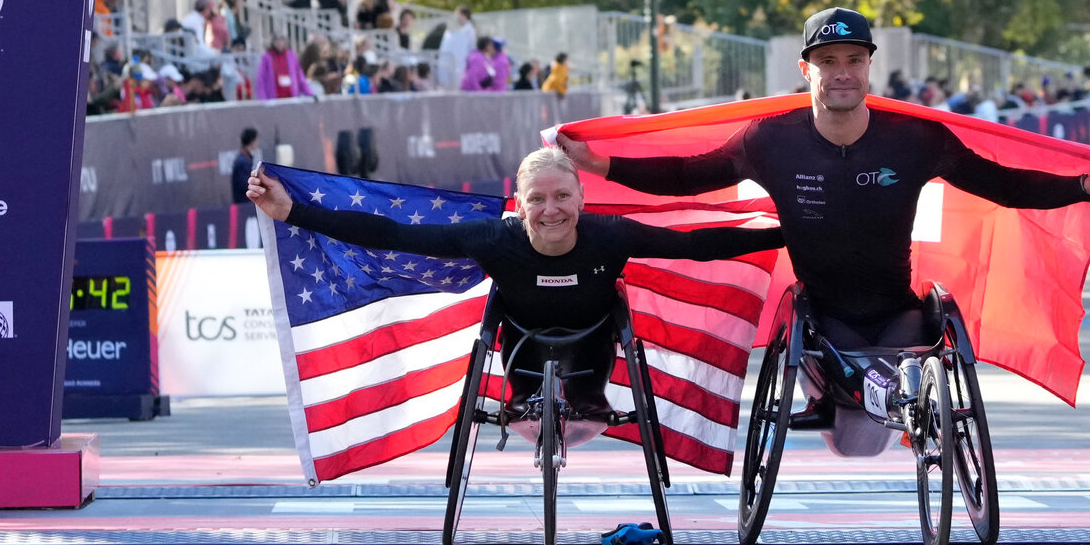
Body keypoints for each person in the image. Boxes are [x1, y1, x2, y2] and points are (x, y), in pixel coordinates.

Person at [560, 7, 1090, 457]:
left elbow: (1003, 185)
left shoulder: (915, 139)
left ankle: (895, 397)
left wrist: (1085, 188)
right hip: (821, 316)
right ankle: (872, 394)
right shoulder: (769, 139)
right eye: (828, 60)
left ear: (868, 67)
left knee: (899, 369)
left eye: (853, 60)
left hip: (896, 309)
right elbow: (689, 176)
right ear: (806, 69)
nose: (842, 72)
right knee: (855, 392)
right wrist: (601, 165)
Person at [247, 147, 786, 417]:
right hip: (519, 339)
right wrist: (291, 211)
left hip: (593, 340)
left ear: (581, 198)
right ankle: (523, 393)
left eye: (562, 197)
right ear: (519, 204)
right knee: (515, 341)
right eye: (536, 199)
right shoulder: (491, 239)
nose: (551, 210)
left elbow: (694, 246)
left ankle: (588, 395)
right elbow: (389, 233)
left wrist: (788, 234)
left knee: (591, 365)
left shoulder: (612, 235)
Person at [255, 33, 310, 100]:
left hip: (291, 96)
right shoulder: (267, 57)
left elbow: (300, 78)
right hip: (274, 98)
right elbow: (261, 80)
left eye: (282, 41)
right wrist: (263, 99)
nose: (280, 44)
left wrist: (310, 94)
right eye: (277, 41)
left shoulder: (291, 56)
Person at [436, 7, 477, 90]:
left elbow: (471, 48)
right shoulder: (452, 30)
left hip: (460, 65)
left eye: (457, 15)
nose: (456, 17)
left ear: (463, 16)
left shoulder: (468, 31)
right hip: (451, 65)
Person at [231, 128, 260, 203]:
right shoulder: (242, 162)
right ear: (251, 141)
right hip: (244, 205)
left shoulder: (244, 159)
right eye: (256, 140)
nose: (257, 143)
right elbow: (246, 185)